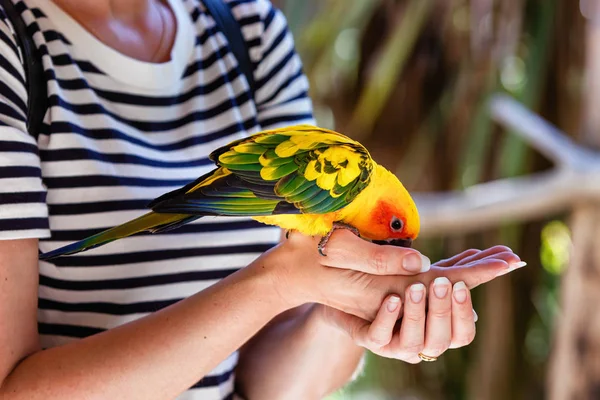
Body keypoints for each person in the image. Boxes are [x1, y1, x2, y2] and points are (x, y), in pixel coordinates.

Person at [0, 0, 525, 399]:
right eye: (391, 228)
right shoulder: (13, 43)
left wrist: (353, 313)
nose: (392, 236)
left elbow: (265, 381)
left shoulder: (249, 31)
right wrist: (277, 280)